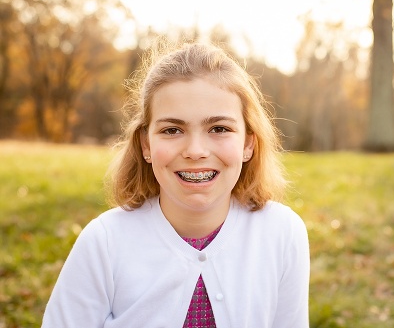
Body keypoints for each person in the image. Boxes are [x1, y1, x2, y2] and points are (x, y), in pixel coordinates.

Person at [42, 41, 310, 327]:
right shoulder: (104, 242)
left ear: (247, 143)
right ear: (146, 144)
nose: (195, 150)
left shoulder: (282, 233)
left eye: (219, 129)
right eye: (172, 130)